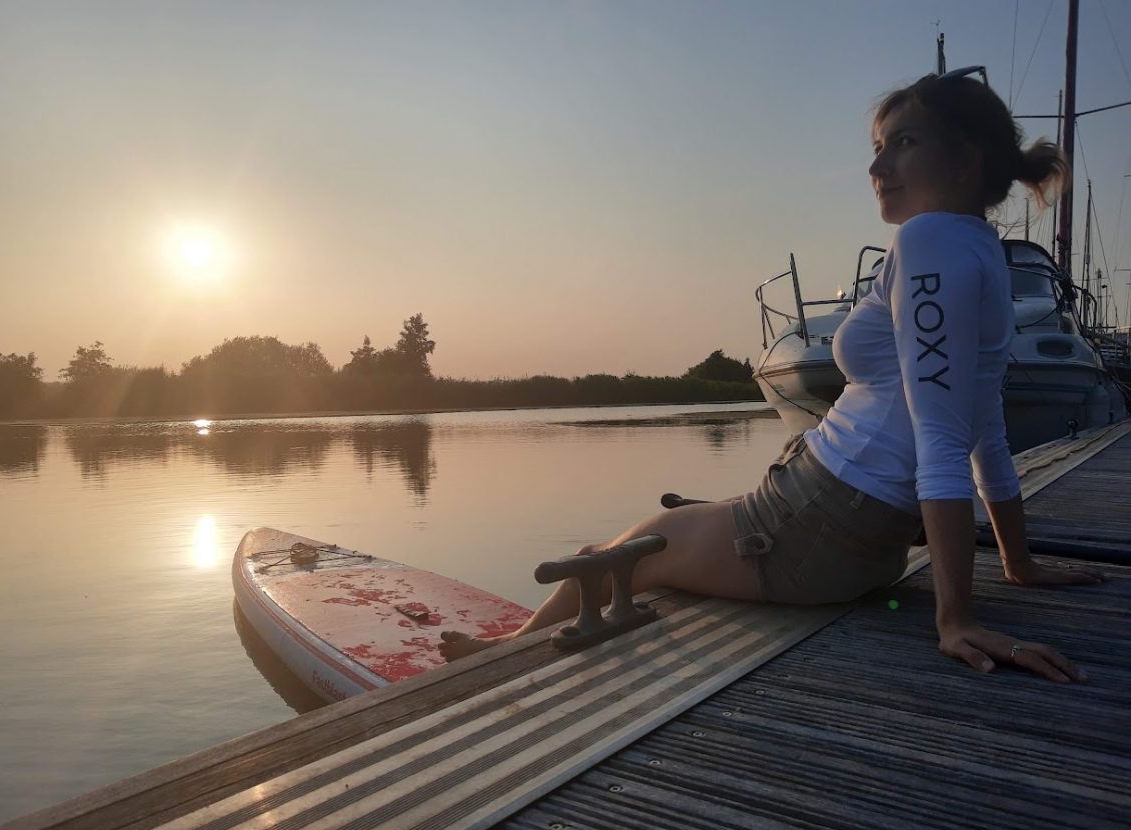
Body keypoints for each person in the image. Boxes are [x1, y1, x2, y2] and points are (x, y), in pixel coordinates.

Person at [440, 71, 1106, 681]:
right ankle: (510, 647)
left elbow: (941, 440)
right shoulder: (983, 251)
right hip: (857, 534)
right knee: (665, 536)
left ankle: (499, 662)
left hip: (820, 521)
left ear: (966, 160)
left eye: (903, 143)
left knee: (627, 548)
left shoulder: (927, 240)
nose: (877, 166)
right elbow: (983, 427)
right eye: (877, 146)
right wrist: (1015, 563)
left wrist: (954, 616)